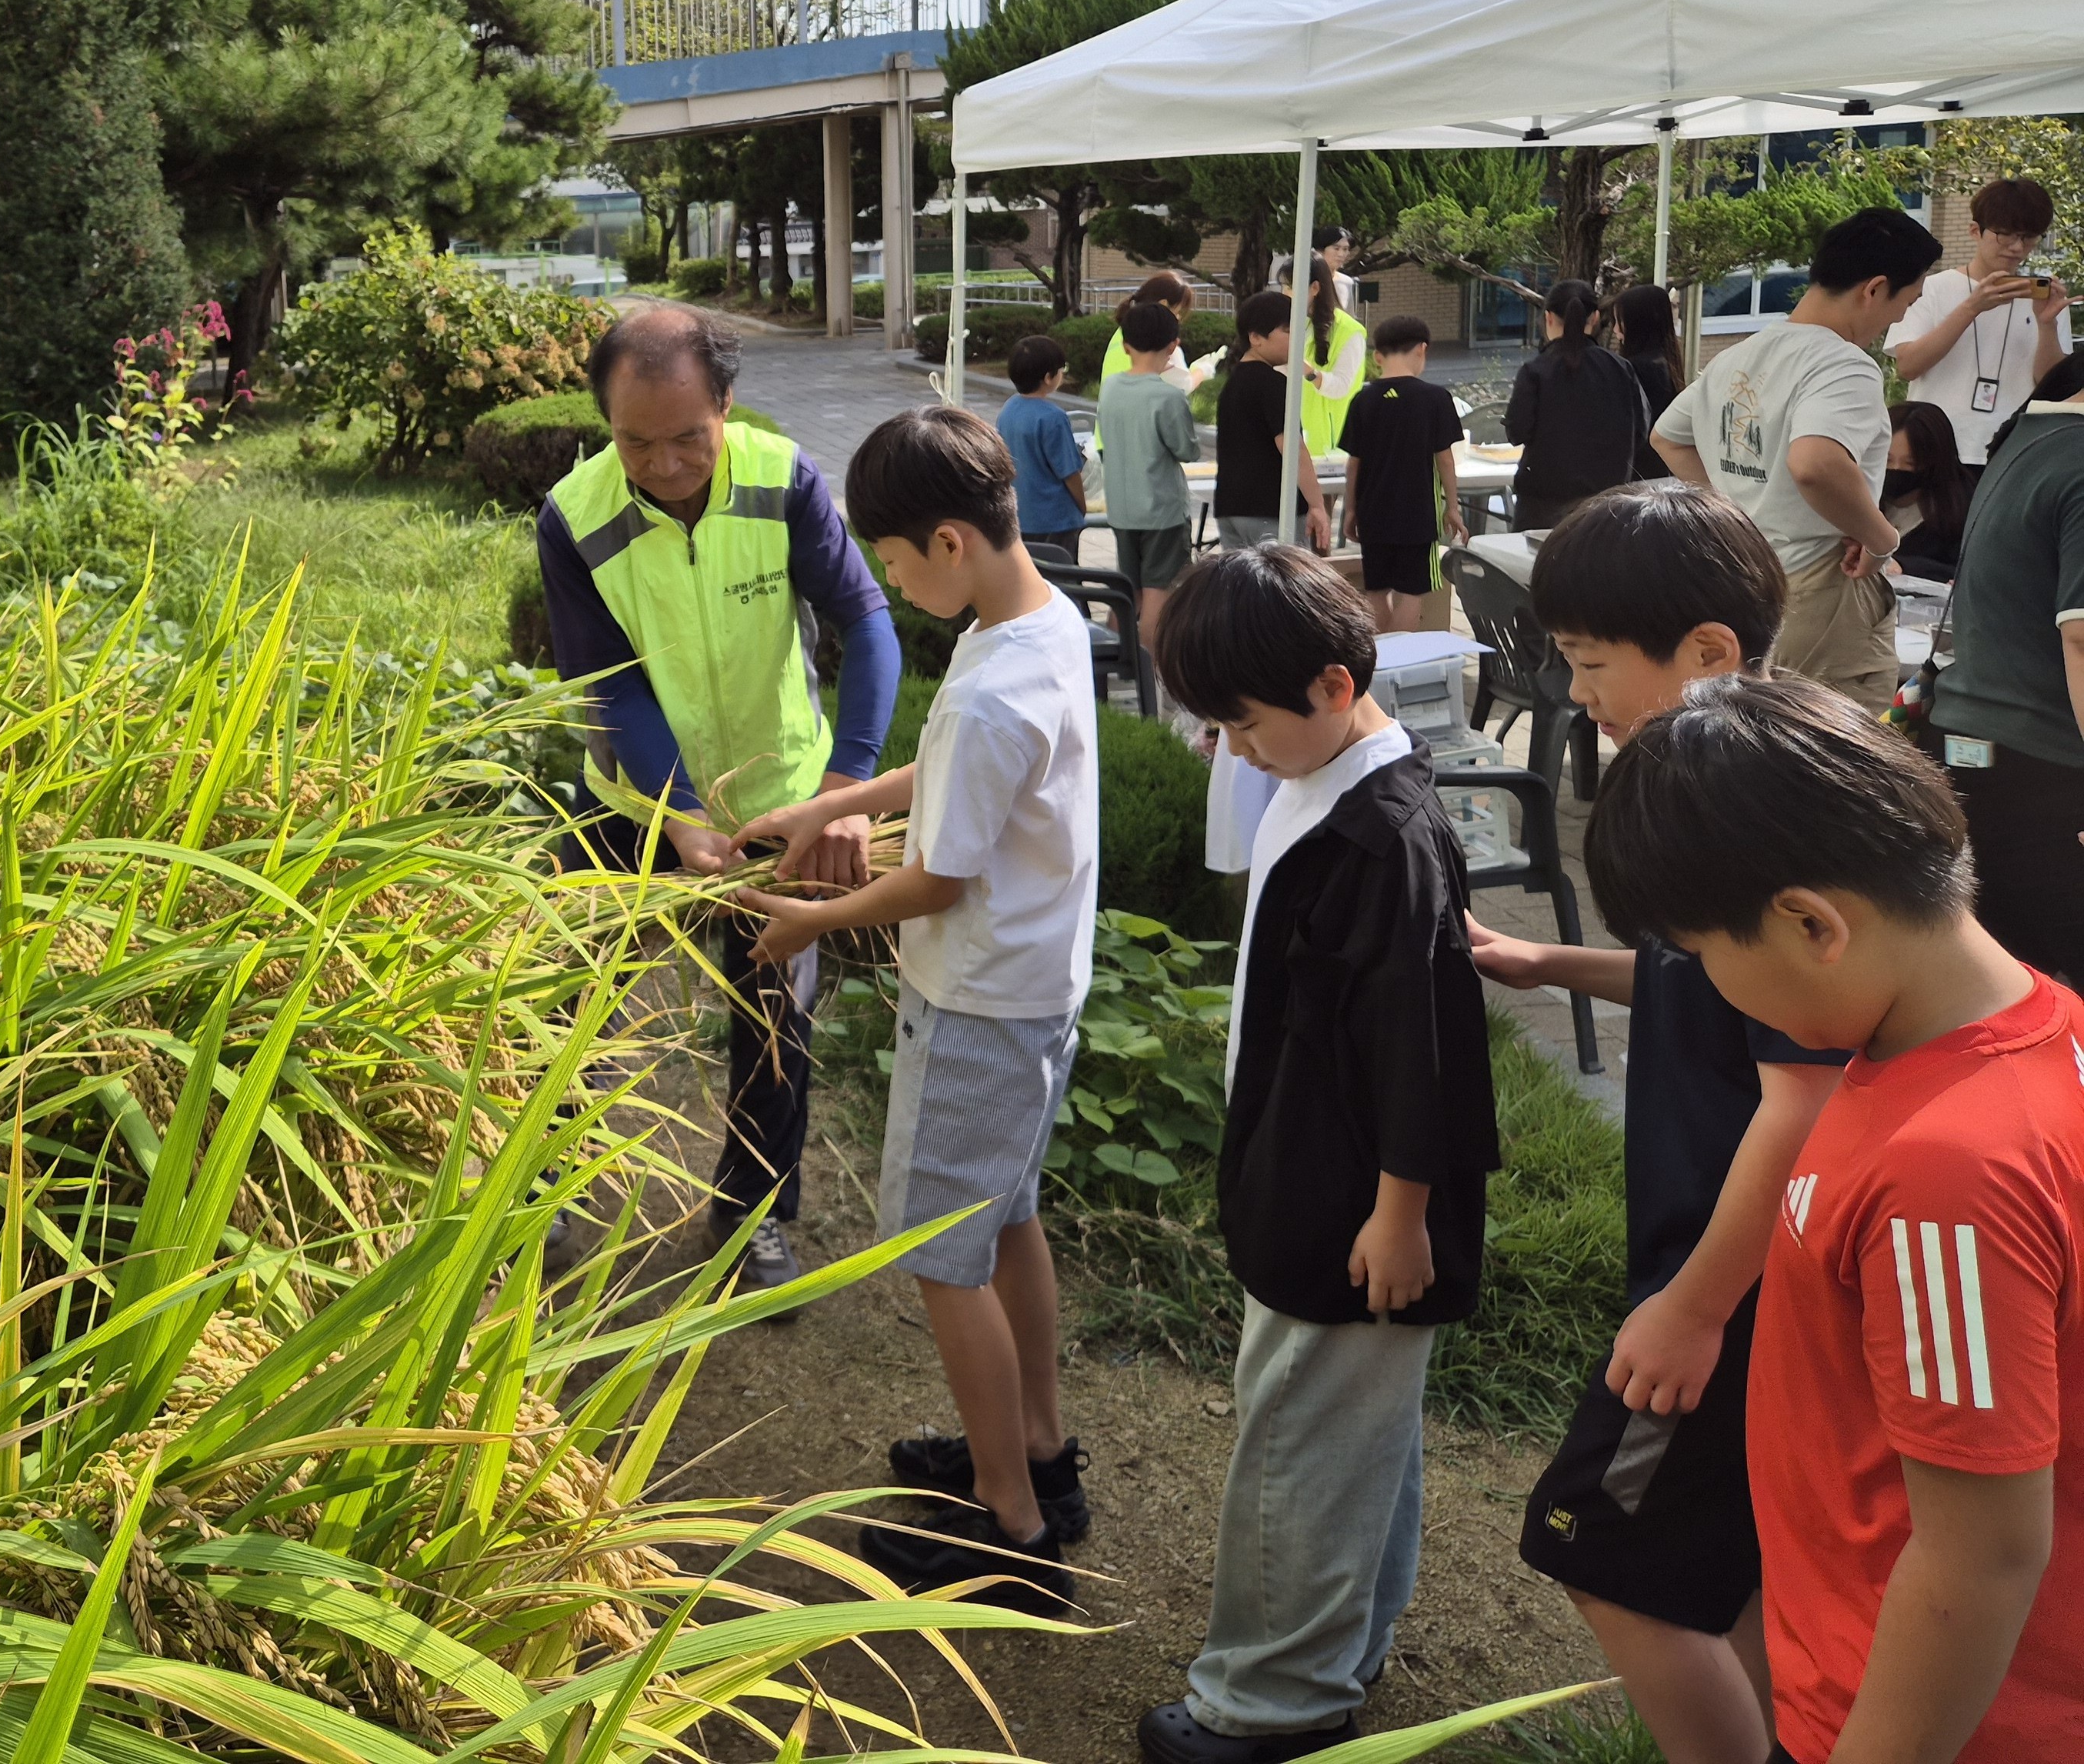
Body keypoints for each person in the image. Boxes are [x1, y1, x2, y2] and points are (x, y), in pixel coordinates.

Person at [1583, 680, 2084, 1764]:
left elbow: (1980, 1556)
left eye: (1708, 956)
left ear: (1812, 922)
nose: (1715, 990)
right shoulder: (2023, 1024)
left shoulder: (1951, 1171)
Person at [1464, 486, 1846, 1764]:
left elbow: (1801, 1096)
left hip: (1735, 1280)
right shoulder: (1740, 780)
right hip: (1741, 1280)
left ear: (1708, 654)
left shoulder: (1765, 815)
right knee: (1725, 1567)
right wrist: (1552, 963)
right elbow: (1705, 983)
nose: (1577, 693)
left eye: (1587, 662)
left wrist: (1692, 1306)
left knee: (1600, 1547)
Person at [725, 405, 1099, 1604]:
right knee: (1007, 1224)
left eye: (890, 559)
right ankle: (1036, 1447)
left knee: (943, 1259)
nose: (887, 579)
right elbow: (945, 766)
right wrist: (822, 811)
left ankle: (1010, 1521)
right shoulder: (1042, 623)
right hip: (1037, 986)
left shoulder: (994, 687)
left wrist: (811, 921)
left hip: (980, 996)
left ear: (948, 541)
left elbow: (940, 874)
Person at [1135, 546, 1500, 1764]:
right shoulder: (1329, 776)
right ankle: (1340, 1646)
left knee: (1300, 1435)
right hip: (1316, 1170)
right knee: (1358, 1435)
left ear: (1337, 686)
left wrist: (1401, 1212)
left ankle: (1269, 1702)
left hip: (1351, 1201)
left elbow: (1422, 1048)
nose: (1230, 746)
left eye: (1240, 722)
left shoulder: (1384, 834)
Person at [536, 306, 901, 1295]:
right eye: (635, 442)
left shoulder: (783, 480)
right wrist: (675, 812)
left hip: (783, 805)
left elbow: (865, 623)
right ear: (605, 424)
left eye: (688, 436)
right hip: (629, 801)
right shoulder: (574, 516)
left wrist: (846, 790)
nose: (663, 463)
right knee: (567, 1000)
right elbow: (609, 685)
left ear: (727, 405)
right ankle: (546, 1191)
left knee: (774, 1015)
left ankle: (750, 1219)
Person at [1652, 208, 1941, 710]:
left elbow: (1668, 438)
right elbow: (1815, 463)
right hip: (1820, 589)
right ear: (1874, 289)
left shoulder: (1743, 353)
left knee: (1758, 743)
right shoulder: (1843, 363)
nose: (1900, 318)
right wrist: (1881, 537)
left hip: (1747, 580)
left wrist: (1737, 510)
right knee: (1832, 759)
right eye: (1907, 301)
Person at [1926, 365, 2084, 988]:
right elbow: (2081, 637)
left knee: (2006, 984)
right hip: (2044, 770)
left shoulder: (2031, 437)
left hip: (1975, 751)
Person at [1885, 177, 2074, 472]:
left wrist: (2046, 324)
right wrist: (1972, 307)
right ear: (1975, 230)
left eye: (2028, 237)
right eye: (2005, 235)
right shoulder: (1930, 288)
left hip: (2013, 451)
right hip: (1935, 448)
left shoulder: (2043, 297)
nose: (2017, 247)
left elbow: (2053, 387)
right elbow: (1908, 366)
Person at [1338, 315, 1466, 632]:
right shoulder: (1435, 398)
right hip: (1417, 515)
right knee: (1411, 594)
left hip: (1373, 512)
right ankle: (1401, 663)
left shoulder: (1362, 400)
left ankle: (1379, 662)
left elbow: (1354, 464)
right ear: (1422, 350)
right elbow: (1445, 460)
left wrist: (1350, 509)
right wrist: (1453, 506)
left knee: (1376, 592)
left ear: (1378, 356)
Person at [1098, 301, 1202, 655]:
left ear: (1126, 345)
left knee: (1127, 590)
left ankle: (1117, 659)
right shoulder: (1168, 396)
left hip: (1122, 508)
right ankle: (1153, 674)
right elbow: (1187, 450)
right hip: (1162, 510)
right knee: (1159, 590)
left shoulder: (1110, 388)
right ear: (1173, 346)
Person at [1504, 282, 1648, 531]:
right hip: (1608, 507)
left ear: (1548, 318)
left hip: (1542, 508)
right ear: (1594, 318)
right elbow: (1641, 430)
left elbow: (1517, 432)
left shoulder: (1535, 371)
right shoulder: (1620, 368)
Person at [1212, 289, 1332, 553]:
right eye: (1288, 332)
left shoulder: (1232, 384)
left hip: (1231, 507)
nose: (1297, 340)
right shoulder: (1274, 384)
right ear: (1255, 337)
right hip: (1272, 509)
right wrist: (1316, 504)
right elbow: (1293, 449)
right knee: (1281, 589)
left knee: (1243, 589)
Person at [1001, 334, 1089, 565]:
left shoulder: (1008, 409)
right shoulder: (1053, 417)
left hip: (1021, 515)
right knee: (1065, 582)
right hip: (1056, 519)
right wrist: (1081, 506)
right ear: (1049, 377)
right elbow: (1070, 473)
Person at [1883, 401, 1970, 583]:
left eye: (1910, 464)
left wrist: (1907, 567)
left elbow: (1967, 569)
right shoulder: (1860, 495)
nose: (1896, 469)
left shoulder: (1962, 507)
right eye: (1887, 461)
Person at [1293, 256, 1369, 459]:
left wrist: (1308, 372)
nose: (1285, 294)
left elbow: (1342, 387)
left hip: (1330, 446)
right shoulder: (1296, 325)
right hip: (1296, 438)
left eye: (1290, 286)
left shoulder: (1350, 331)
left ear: (1315, 288)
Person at [1095, 273, 1202, 408]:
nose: (1178, 318)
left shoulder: (1123, 332)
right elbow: (1183, 385)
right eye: (1177, 311)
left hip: (1109, 427)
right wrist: (1202, 370)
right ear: (1163, 304)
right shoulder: (1156, 339)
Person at [1614, 283, 1683, 482]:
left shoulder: (1636, 369)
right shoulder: (1667, 363)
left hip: (1636, 479)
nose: (1616, 329)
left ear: (1638, 323)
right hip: (1661, 474)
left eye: (1620, 321)